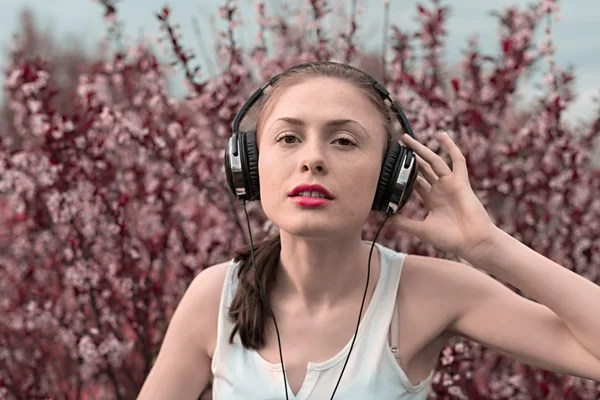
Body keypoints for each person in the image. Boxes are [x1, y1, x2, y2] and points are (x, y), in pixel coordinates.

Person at [137, 61, 600, 400]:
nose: (312, 158)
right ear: (249, 166)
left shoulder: (428, 293)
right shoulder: (215, 296)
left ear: (390, 175)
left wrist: (489, 246)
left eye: (344, 140)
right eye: (288, 137)